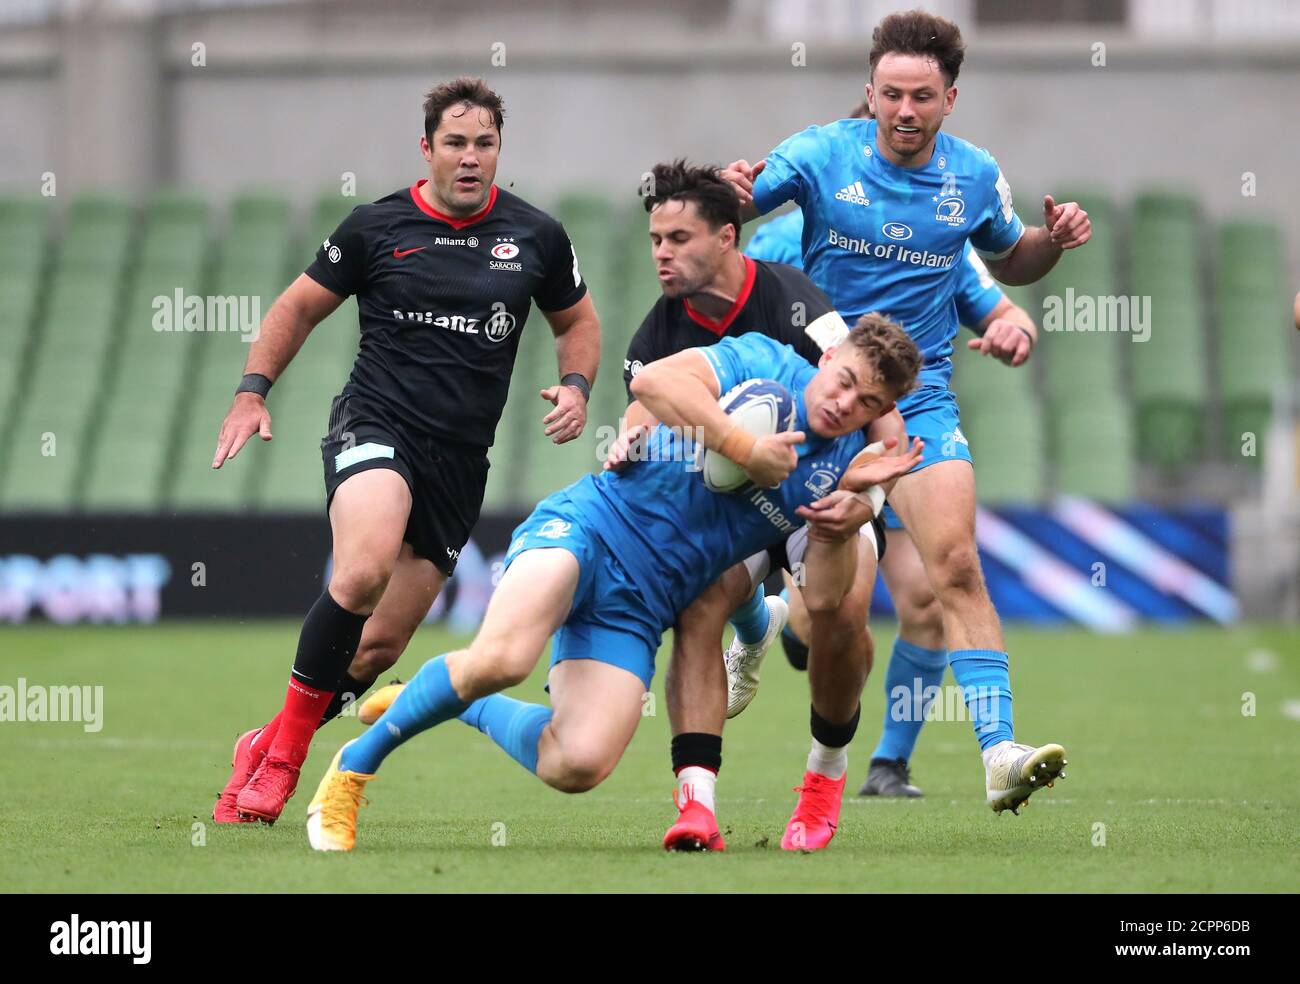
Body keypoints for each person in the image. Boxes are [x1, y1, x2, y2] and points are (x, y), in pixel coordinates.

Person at [304, 318, 924, 852]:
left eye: (868, 403)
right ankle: (352, 771)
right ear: (829, 358)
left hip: (643, 602)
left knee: (577, 764)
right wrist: (743, 446)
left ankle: (445, 697)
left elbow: (820, 599)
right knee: (504, 659)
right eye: (844, 381)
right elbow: (652, 381)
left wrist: (842, 526)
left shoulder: (848, 468)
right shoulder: (764, 359)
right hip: (588, 528)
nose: (847, 404)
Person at [210, 76, 599, 824]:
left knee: (378, 649)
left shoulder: (538, 237)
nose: (470, 157)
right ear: (426, 149)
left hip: (459, 460)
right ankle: (285, 764)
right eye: (455, 143)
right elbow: (296, 307)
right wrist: (252, 389)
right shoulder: (373, 227)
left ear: (497, 150)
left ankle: (262, 741)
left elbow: (576, 322)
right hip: (375, 422)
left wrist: (577, 385)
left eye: (484, 144)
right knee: (360, 572)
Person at [721, 9, 1082, 812]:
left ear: (951, 97)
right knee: (830, 620)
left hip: (918, 409)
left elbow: (1007, 262)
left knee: (948, 572)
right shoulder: (819, 158)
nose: (906, 111)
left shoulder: (973, 177)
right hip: (818, 410)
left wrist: (1049, 246)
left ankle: (995, 754)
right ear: (870, 93)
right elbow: (732, 224)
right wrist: (731, 193)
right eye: (892, 94)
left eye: (923, 96)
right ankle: (763, 619)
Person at [747, 206, 1039, 799]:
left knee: (939, 586)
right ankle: (783, 624)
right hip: (828, 429)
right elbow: (749, 323)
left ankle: (909, 763)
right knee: (823, 617)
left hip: (914, 427)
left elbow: (1006, 309)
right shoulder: (786, 238)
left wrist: (1018, 330)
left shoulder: (938, 237)